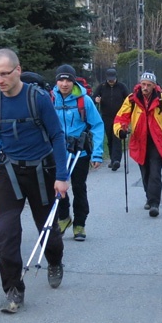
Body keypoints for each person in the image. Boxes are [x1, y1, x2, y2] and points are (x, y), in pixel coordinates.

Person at [0, 48, 69, 314]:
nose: (0, 80)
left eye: (5, 73)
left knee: (47, 232)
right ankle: (14, 291)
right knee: (6, 235)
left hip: (43, 171)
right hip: (9, 173)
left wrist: (62, 176)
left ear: (18, 70)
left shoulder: (38, 98)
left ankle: (55, 260)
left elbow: (57, 136)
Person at [113, 71, 162, 217]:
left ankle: (154, 203)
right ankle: (149, 196)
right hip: (140, 141)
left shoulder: (161, 99)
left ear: (154, 86)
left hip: (157, 141)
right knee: (145, 171)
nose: (145, 87)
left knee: (155, 173)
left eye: (148, 85)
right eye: (143, 84)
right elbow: (121, 117)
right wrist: (120, 131)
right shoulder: (132, 99)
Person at [53, 64, 105, 241]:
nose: (65, 83)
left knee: (79, 188)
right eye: (61, 79)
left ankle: (80, 224)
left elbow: (97, 126)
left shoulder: (84, 101)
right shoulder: (51, 100)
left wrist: (97, 153)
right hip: (57, 153)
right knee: (58, 189)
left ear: (73, 81)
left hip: (79, 153)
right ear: (57, 81)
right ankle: (63, 218)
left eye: (68, 80)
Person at [92, 68, 129, 171]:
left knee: (116, 136)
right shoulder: (102, 87)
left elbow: (128, 100)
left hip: (119, 117)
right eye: (109, 79)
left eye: (112, 79)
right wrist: (96, 99)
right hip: (106, 116)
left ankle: (116, 160)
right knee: (110, 137)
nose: (111, 81)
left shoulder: (122, 87)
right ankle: (113, 160)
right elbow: (93, 98)